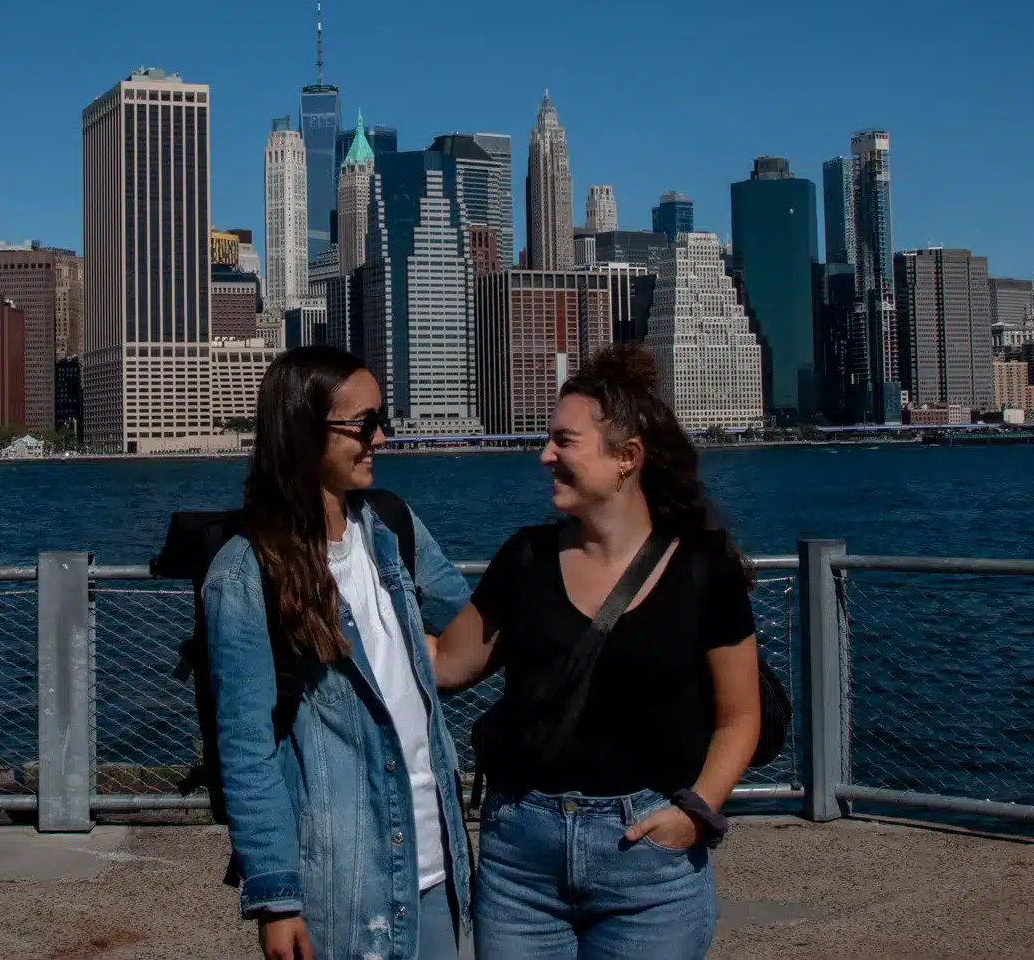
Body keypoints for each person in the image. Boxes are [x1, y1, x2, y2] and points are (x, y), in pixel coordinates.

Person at [431, 343, 764, 960]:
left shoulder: (701, 570)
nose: (544, 455)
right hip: (518, 860)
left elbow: (740, 715)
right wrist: (344, 614)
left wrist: (696, 812)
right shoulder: (525, 558)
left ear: (626, 459)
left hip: (647, 861)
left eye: (564, 441)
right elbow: (448, 662)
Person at [203, 345, 474, 960]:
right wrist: (277, 901)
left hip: (439, 867)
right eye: (363, 425)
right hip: (341, 887)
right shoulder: (245, 572)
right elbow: (247, 749)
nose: (380, 437)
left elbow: (467, 632)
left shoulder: (393, 526)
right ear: (303, 432)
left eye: (381, 419)